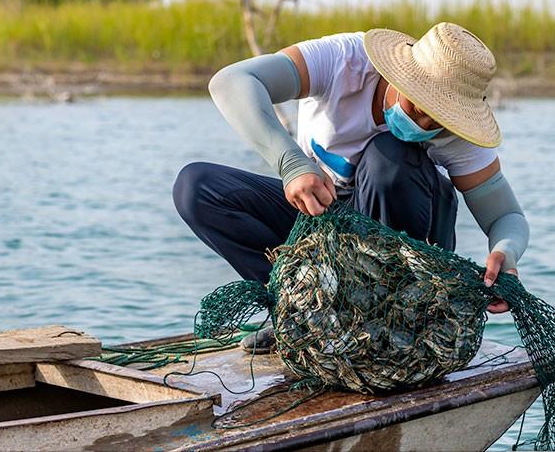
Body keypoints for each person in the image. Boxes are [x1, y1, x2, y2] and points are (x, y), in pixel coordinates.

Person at [173, 22, 529, 352]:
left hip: (405, 258)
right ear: (399, 75)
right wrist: (291, 163)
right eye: (419, 106)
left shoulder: (457, 133)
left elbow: (506, 215)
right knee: (198, 187)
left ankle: (393, 319)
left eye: (438, 120)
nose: (424, 122)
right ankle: (301, 312)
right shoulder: (343, 61)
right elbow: (232, 81)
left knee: (387, 155)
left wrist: (506, 253)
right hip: (325, 229)